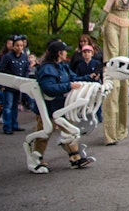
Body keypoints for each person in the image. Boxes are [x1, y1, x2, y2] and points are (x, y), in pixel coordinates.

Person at [34, 40, 96, 169]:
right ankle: (36, 160)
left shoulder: (62, 65)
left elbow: (73, 78)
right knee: (44, 134)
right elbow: (48, 88)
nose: (66, 52)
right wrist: (68, 86)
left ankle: (75, 158)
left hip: (60, 107)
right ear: (58, 53)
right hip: (46, 108)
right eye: (64, 50)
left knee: (69, 132)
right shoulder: (47, 69)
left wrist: (88, 77)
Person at [100, 0, 129, 146]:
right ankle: (110, 132)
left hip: (125, 27)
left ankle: (121, 129)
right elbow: (104, 11)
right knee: (114, 64)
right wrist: (94, 29)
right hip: (112, 25)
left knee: (123, 76)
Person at [0, 35, 30, 134]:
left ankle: (14, 124)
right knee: (8, 106)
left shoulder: (24, 56)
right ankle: (7, 126)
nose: (19, 48)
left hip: (18, 85)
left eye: (21, 46)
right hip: (8, 85)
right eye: (17, 45)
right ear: (13, 46)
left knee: (15, 106)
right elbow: (1, 70)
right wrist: (1, 85)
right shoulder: (7, 57)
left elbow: (25, 70)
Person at [75, 44, 104, 122]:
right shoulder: (80, 65)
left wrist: (101, 81)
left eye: (88, 52)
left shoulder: (97, 63)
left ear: (92, 53)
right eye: (84, 52)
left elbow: (101, 73)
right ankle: (86, 116)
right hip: (85, 86)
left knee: (96, 100)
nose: (86, 54)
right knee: (85, 101)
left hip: (95, 85)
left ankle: (99, 115)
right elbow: (77, 76)